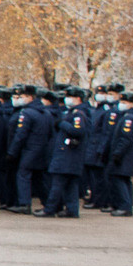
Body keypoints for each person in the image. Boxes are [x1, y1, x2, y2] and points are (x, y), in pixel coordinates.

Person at [44, 85, 89, 218]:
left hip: (68, 155)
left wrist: (62, 124)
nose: (67, 99)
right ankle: (71, 210)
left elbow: (78, 131)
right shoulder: (73, 112)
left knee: (58, 184)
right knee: (71, 186)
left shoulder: (78, 114)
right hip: (70, 156)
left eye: (70, 97)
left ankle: (49, 209)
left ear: (78, 98)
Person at [11, 85, 54, 215]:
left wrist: (12, 151)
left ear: (30, 97)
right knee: (39, 179)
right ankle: (48, 203)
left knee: (23, 175)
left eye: (23, 97)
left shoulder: (27, 113)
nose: (21, 99)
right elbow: (51, 133)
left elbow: (21, 135)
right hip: (43, 150)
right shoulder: (46, 112)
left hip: (30, 150)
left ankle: (25, 204)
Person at [106, 90, 133, 215]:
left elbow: (125, 139)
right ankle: (123, 205)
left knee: (120, 180)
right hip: (123, 156)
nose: (121, 104)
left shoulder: (129, 119)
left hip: (124, 157)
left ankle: (125, 207)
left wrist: (117, 153)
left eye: (124, 102)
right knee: (123, 180)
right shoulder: (127, 117)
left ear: (131, 104)